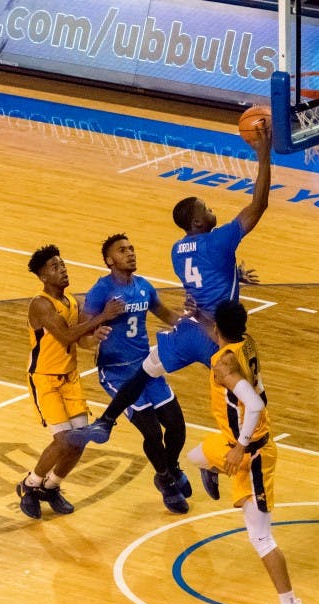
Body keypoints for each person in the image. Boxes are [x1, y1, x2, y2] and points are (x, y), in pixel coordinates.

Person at [66, 120, 274, 448]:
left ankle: (106, 421)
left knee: (147, 368)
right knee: (249, 396)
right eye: (206, 208)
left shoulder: (177, 250)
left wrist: (233, 274)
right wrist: (264, 156)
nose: (212, 209)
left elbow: (206, 276)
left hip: (188, 329)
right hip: (213, 334)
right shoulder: (219, 241)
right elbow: (259, 205)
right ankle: (228, 452)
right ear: (196, 221)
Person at [186, 300, 312, 604]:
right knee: (195, 456)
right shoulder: (245, 343)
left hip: (251, 454)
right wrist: (198, 316)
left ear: (219, 328)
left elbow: (255, 405)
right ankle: (215, 471)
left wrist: (241, 445)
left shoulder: (223, 363)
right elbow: (251, 379)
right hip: (229, 443)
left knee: (261, 539)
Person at [83, 234, 192, 514]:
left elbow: (167, 315)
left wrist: (191, 318)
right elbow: (81, 334)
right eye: (122, 250)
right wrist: (98, 328)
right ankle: (166, 481)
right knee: (153, 433)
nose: (130, 253)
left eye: (132, 248)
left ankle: (170, 467)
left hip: (146, 367)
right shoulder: (101, 291)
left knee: (177, 426)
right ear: (110, 260)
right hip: (116, 371)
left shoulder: (144, 287)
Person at [16, 245, 125, 519]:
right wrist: (102, 316)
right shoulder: (40, 304)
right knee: (64, 439)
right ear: (43, 277)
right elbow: (65, 336)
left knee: (80, 440)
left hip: (70, 377)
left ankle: (51, 487)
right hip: (46, 379)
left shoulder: (72, 302)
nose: (62, 269)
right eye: (55, 267)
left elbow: (79, 340)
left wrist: (96, 336)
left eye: (62, 264)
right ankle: (30, 485)